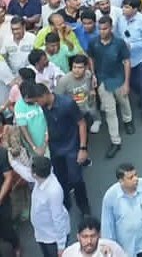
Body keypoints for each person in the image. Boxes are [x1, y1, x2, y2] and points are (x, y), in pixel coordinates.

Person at [27, 83, 91, 215]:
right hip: (55, 148)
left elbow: (81, 123)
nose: (37, 104)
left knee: (76, 179)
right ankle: (65, 205)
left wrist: (83, 148)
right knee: (61, 179)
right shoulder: (44, 107)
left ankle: (84, 208)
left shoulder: (67, 104)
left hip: (72, 146)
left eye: (37, 100)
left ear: (44, 95)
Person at [6, 151, 70, 257]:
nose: (29, 171)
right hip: (41, 233)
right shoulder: (42, 176)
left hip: (52, 238)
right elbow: (26, 173)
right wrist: (13, 162)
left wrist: (61, 247)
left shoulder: (54, 192)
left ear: (35, 174)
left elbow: (58, 220)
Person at [88, 15, 132, 159]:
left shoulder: (119, 43)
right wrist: (93, 75)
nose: (102, 31)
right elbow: (91, 58)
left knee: (124, 102)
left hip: (118, 79)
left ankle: (127, 120)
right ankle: (115, 141)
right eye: (100, 29)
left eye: (105, 28)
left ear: (111, 28)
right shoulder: (93, 43)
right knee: (110, 111)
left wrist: (126, 83)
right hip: (103, 81)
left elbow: (126, 62)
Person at [101, 162, 142, 257]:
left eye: (136, 175)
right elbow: (107, 224)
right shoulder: (110, 196)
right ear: (121, 181)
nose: (136, 179)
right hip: (125, 246)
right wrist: (108, 245)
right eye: (130, 177)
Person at [62, 216, 128, 257]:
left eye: (93, 236)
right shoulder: (69, 253)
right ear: (78, 237)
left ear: (99, 235)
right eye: (85, 237)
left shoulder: (112, 248)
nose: (89, 241)